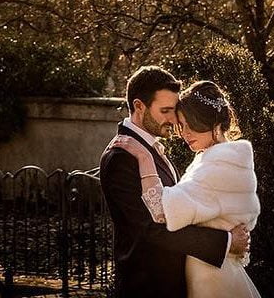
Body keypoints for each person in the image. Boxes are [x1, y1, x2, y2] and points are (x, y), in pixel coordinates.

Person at [100, 66, 251, 298]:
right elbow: (150, 230)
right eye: (166, 110)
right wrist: (225, 242)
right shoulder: (121, 156)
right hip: (148, 287)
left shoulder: (151, 148)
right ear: (139, 106)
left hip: (175, 283)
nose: (174, 119)